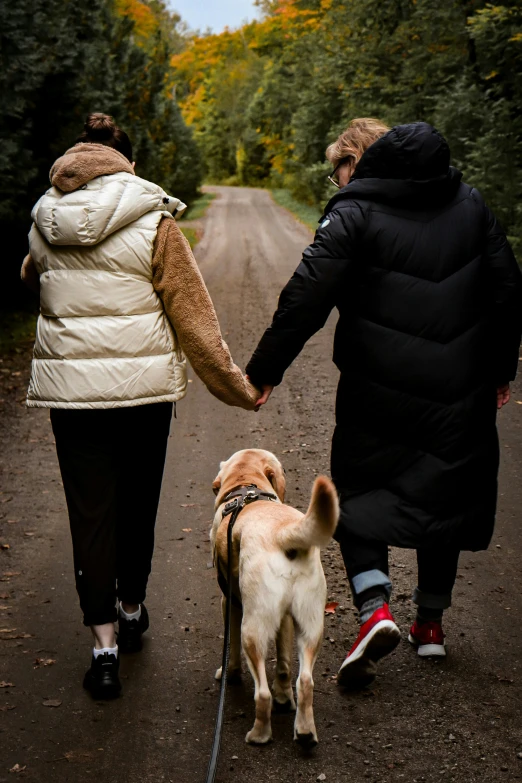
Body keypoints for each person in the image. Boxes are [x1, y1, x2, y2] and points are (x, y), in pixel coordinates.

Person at [246, 119, 522, 688]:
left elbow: (307, 293)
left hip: (379, 388)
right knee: (442, 488)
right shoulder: (470, 204)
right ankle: (430, 627)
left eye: (338, 169)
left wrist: (264, 369)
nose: (337, 180)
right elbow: (508, 290)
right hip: (460, 388)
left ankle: (374, 609)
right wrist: (500, 368)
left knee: (358, 490)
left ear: (357, 161)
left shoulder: (353, 210)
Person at [22, 113, 258, 699]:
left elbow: (33, 279)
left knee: (91, 514)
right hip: (144, 395)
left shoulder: (43, 220)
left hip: (72, 398)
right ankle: (131, 610)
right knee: (136, 502)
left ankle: (103, 651)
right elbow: (194, 318)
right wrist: (238, 387)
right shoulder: (155, 219)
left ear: (76, 157)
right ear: (128, 161)